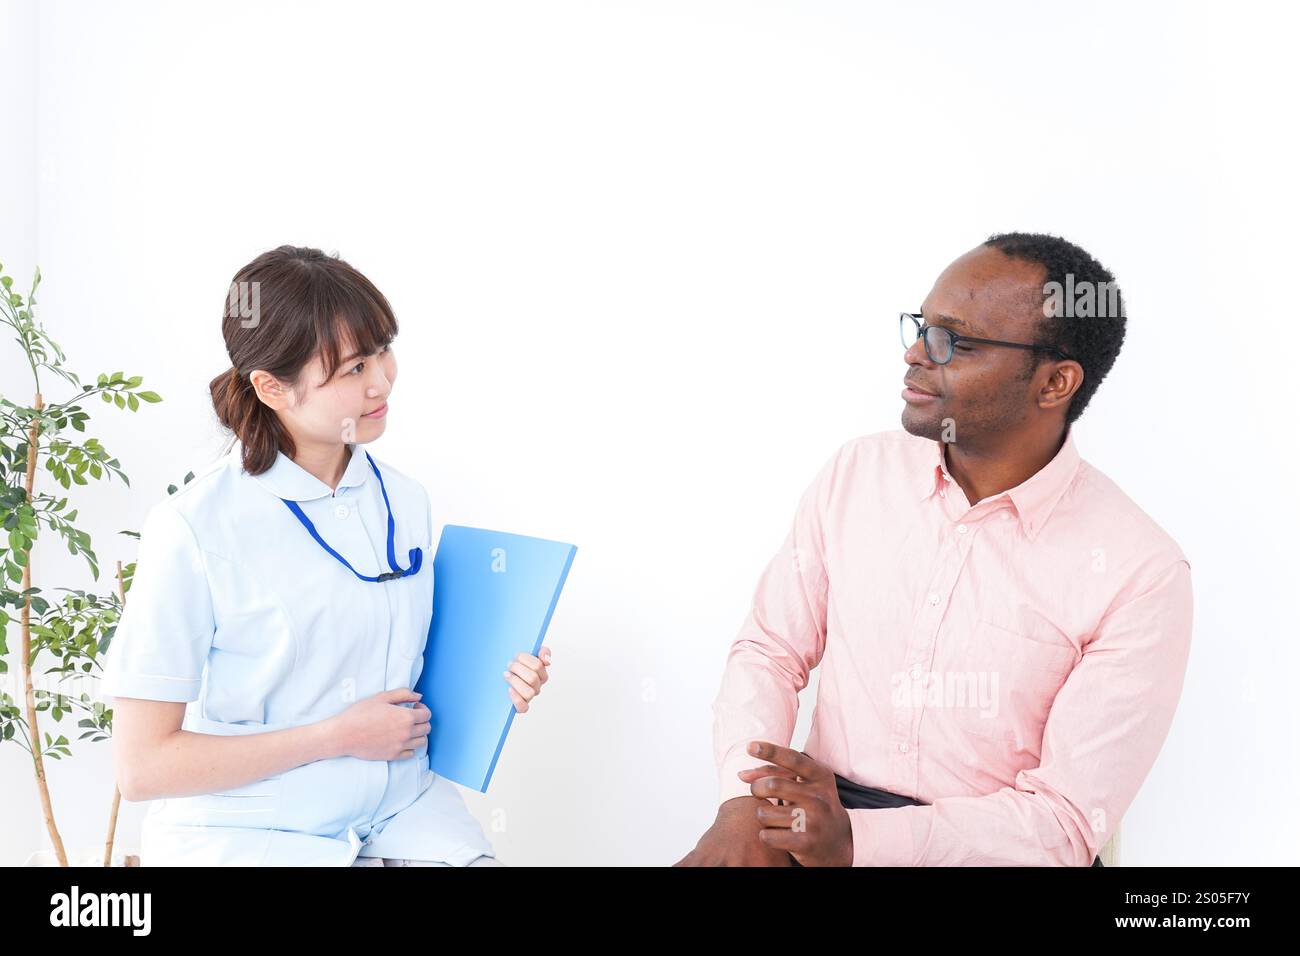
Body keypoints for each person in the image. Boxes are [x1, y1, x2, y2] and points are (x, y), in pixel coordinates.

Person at [676, 231, 1193, 866]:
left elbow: (1062, 824)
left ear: (1055, 382)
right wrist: (742, 806)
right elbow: (769, 652)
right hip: (816, 822)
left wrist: (860, 844)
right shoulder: (857, 475)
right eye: (921, 326)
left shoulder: (1140, 570)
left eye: (956, 341)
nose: (917, 354)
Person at [101, 245, 551, 866]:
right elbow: (142, 767)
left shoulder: (405, 499)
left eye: (381, 350)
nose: (381, 381)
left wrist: (500, 681)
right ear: (270, 387)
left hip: (401, 807)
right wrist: (335, 737)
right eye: (350, 369)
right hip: (255, 828)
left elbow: (410, 680)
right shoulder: (195, 527)